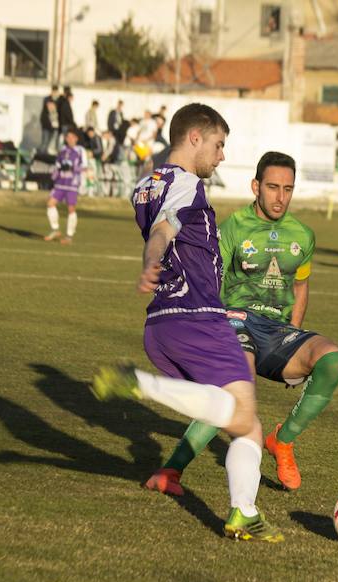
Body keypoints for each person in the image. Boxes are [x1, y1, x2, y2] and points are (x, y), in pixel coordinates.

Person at [91, 103, 283, 543]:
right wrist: (151, 259)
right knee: (244, 414)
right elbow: (164, 229)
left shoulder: (144, 184)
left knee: (239, 418)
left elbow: (160, 223)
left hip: (162, 322)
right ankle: (140, 385)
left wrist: (154, 264)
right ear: (193, 138)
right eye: (218, 145)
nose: (221, 156)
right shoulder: (185, 183)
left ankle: (244, 513)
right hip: (198, 315)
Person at [144, 151, 338, 494]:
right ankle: (171, 471)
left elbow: (300, 286)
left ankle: (282, 441)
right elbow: (210, 281)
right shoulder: (232, 228)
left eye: (287, 189)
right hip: (234, 321)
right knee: (237, 391)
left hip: (277, 331)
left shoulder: (303, 235)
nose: (280, 197)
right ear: (256, 186)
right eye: (272, 187)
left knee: (334, 359)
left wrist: (295, 330)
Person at [43, 129, 85, 244]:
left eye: (72, 137)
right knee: (50, 203)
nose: (69, 139)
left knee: (71, 209)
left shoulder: (80, 150)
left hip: (72, 184)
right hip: (60, 183)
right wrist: (53, 178)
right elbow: (57, 165)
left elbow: (84, 167)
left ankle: (69, 236)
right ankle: (55, 229)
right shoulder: (62, 150)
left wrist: (72, 168)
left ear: (76, 138)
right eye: (68, 137)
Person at [39, 86, 60, 153]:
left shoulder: (55, 100)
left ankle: (44, 155)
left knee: (48, 143)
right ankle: (41, 156)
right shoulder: (48, 100)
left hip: (52, 126)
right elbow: (51, 112)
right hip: (47, 125)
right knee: (45, 142)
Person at [56, 87, 76, 151]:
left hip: (65, 124)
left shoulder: (64, 103)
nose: (72, 99)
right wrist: (73, 123)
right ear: (69, 97)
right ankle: (63, 151)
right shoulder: (65, 104)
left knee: (65, 139)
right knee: (66, 139)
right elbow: (68, 115)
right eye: (72, 97)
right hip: (66, 125)